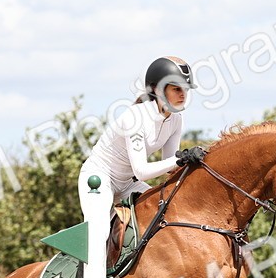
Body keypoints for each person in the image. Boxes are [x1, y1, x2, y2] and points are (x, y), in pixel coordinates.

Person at [78, 56, 206, 223]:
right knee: (99, 231)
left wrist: (196, 161)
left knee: (165, 212)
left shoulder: (176, 119)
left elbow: (170, 166)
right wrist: (181, 158)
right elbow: (142, 171)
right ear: (158, 90)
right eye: (176, 89)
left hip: (128, 184)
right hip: (98, 178)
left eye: (186, 90)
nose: (183, 95)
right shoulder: (135, 117)